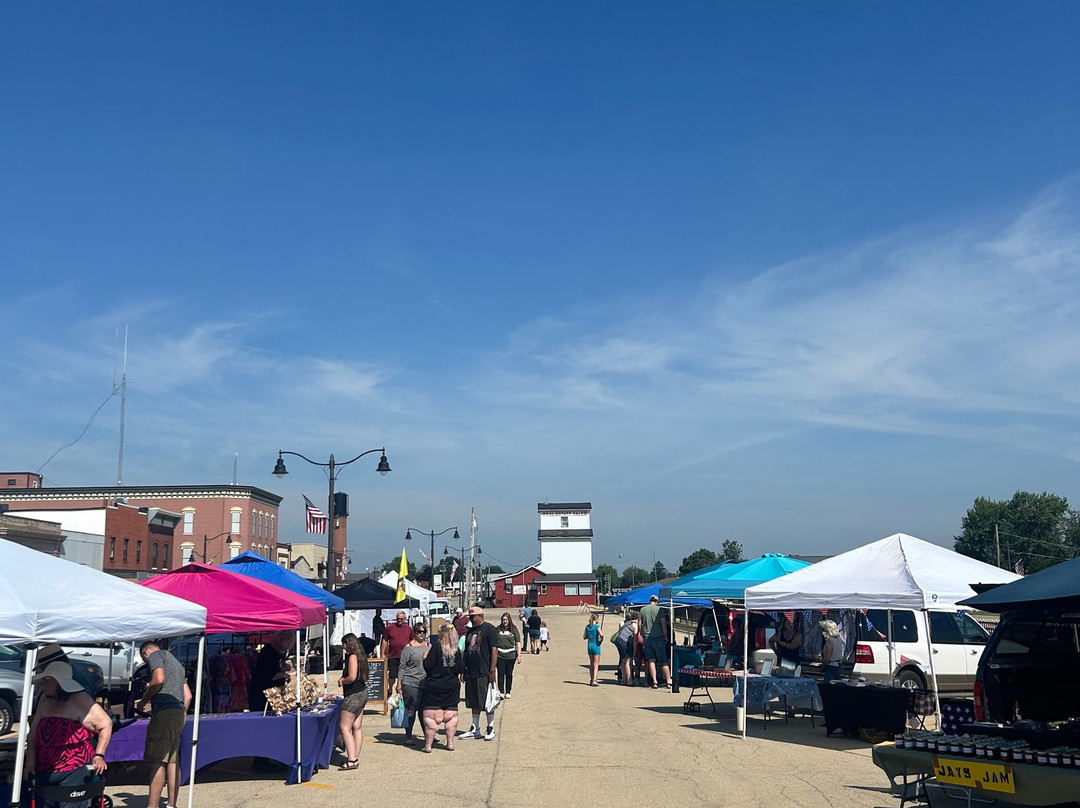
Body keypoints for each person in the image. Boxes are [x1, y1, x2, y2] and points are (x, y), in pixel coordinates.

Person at [24, 662, 112, 808]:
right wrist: (30, 764)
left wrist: (99, 755)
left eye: (47, 681)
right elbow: (32, 736)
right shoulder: (45, 702)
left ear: (59, 682)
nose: (43, 685)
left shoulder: (80, 700)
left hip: (73, 771)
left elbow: (106, 724)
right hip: (43, 771)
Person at [135, 641, 191, 808]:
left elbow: (158, 679)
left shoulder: (155, 656)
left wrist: (144, 701)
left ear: (145, 653)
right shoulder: (176, 662)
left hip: (164, 712)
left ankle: (152, 806)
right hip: (179, 712)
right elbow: (188, 695)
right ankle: (172, 804)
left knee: (158, 760)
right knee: (173, 761)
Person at [421, 622, 464, 752]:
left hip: (435, 686)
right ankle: (450, 743)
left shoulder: (436, 647)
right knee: (451, 716)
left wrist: (424, 658)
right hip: (451, 687)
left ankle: (428, 746)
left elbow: (428, 667)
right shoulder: (456, 650)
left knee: (430, 718)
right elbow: (461, 668)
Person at [460, 606, 499, 741]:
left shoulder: (490, 629)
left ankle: (490, 727)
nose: (470, 619)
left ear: (480, 616)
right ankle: (474, 728)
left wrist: (492, 669)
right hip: (471, 671)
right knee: (473, 701)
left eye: (472, 617)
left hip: (485, 671)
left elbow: (494, 650)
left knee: (488, 700)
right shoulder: (470, 631)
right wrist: (463, 669)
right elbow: (466, 651)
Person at [337, 633, 369, 770]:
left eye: (344, 644)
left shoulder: (352, 657)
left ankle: (351, 759)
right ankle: (355, 755)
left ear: (349, 644)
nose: (343, 647)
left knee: (345, 728)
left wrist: (342, 680)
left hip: (353, 694)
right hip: (362, 692)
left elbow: (352, 676)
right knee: (357, 727)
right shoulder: (362, 656)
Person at [395, 623, 429, 745]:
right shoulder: (408, 648)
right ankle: (408, 736)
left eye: (424, 631)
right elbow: (402, 667)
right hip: (410, 682)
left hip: (426, 683)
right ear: (415, 632)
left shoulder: (429, 646)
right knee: (411, 710)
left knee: (425, 710)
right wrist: (399, 683)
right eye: (420, 631)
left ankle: (428, 735)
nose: (422, 634)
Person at [638, 595, 670, 689]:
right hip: (658, 637)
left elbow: (640, 624)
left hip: (647, 638)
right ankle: (668, 681)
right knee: (663, 661)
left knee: (651, 660)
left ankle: (654, 682)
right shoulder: (659, 610)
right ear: (656, 601)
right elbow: (663, 624)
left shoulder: (642, 610)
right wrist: (666, 636)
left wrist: (641, 634)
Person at [381, 611, 413, 696]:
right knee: (392, 675)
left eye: (401, 619)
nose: (399, 620)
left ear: (404, 619)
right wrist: (382, 654)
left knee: (403, 675)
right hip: (393, 655)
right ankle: (390, 689)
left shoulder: (409, 629)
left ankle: (400, 690)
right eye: (398, 619)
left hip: (405, 656)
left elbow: (412, 641)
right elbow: (384, 640)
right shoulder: (390, 628)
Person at [494, 613, 522, 698]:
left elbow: (518, 643)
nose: (505, 621)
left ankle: (508, 691)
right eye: (503, 620)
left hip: (511, 655)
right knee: (501, 674)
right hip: (500, 655)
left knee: (509, 674)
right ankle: (501, 691)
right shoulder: (498, 629)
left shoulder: (514, 629)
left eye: (506, 620)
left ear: (509, 620)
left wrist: (519, 655)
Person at [613, 616, 639, 686]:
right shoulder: (635, 625)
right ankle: (629, 681)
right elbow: (635, 639)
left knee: (623, 661)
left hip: (618, 640)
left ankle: (624, 680)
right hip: (625, 642)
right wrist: (634, 650)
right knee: (628, 661)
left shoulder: (627, 623)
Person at [583, 614, 603, 686]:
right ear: (596, 619)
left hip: (589, 646)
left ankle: (591, 679)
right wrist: (601, 641)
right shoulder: (597, 627)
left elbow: (584, 636)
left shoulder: (587, 627)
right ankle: (594, 679)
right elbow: (602, 635)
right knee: (596, 664)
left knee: (591, 663)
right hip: (596, 645)